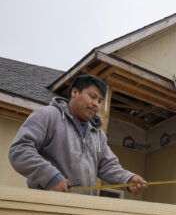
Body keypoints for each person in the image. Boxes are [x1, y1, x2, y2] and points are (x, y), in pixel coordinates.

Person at [8, 74, 148, 195]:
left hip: (81, 209)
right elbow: (20, 150)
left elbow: (107, 166)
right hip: (48, 207)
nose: (96, 105)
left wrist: (128, 178)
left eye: (100, 101)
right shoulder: (49, 115)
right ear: (75, 92)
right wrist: (51, 178)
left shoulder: (98, 134)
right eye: (92, 97)